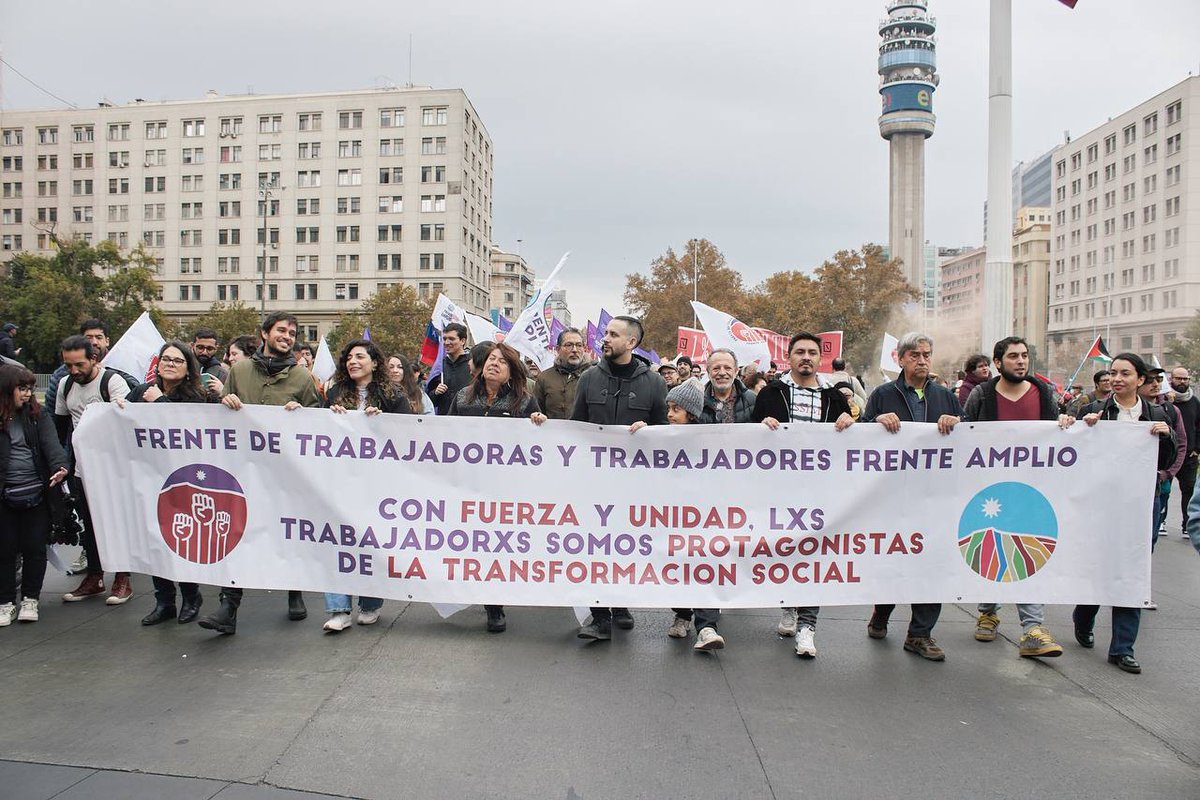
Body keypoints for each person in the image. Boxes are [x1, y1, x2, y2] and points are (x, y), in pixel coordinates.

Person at [198, 312, 322, 635]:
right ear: (265, 333)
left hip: (285, 473)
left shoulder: (302, 378)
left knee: (287, 532)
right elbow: (220, 419)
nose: (288, 336)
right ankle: (229, 607)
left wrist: (303, 415)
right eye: (282, 330)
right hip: (244, 470)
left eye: (292, 332)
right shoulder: (238, 371)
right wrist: (225, 400)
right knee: (235, 533)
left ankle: (294, 590)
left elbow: (321, 427)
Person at [961, 336, 1074, 657]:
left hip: (1031, 491)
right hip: (989, 491)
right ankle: (988, 611)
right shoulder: (982, 395)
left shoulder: (1043, 392)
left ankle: (1033, 628)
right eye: (1013, 357)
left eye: (1024, 356)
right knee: (993, 551)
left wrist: (1065, 423)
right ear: (998, 363)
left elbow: (1056, 431)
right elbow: (965, 437)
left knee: (1028, 554)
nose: (1021, 361)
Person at [752, 332, 854, 658]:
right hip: (780, 489)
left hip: (820, 490)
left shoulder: (835, 397)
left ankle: (808, 626)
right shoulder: (772, 393)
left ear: (819, 358)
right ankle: (787, 604)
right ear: (790, 357)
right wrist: (761, 425)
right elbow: (750, 435)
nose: (806, 357)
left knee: (815, 554)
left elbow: (852, 433)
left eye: (812, 352)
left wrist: (849, 421)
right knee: (785, 550)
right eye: (799, 352)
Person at [861, 332, 960, 662]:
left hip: (935, 496)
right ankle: (882, 610)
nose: (922, 360)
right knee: (893, 558)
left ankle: (920, 633)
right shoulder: (883, 395)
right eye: (915, 355)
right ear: (900, 359)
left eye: (927, 354)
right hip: (892, 496)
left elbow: (970, 440)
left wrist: (957, 424)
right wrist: (875, 422)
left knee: (932, 562)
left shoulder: (946, 397)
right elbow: (859, 438)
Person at [1075, 352, 1176, 674]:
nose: (1117, 379)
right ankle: (1084, 616)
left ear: (1141, 380)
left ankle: (1122, 648)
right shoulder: (1095, 411)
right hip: (1101, 505)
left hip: (1139, 504)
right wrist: (1082, 427)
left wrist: (1167, 436)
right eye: (1114, 373)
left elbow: (1166, 459)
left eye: (1125, 373)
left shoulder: (1158, 414)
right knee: (1098, 566)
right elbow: (1075, 454)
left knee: (1132, 571)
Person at [571, 315, 667, 641]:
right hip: (595, 484)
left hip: (635, 485)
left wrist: (649, 433)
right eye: (606, 333)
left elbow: (665, 434)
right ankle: (599, 617)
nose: (605, 338)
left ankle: (622, 603)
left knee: (626, 547)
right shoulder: (588, 378)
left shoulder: (653, 383)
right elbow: (575, 429)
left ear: (631, 343)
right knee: (597, 547)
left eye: (613, 334)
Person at [449, 341, 543, 633]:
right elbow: (445, 437)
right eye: (491, 358)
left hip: (505, 489)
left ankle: (494, 605)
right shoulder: (463, 398)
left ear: (512, 371)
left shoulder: (524, 402)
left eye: (502, 361)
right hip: (469, 484)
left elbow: (537, 446)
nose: (494, 364)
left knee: (496, 546)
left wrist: (539, 423)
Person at [118, 342, 212, 626]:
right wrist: (119, 409)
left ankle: (191, 595)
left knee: (181, 539)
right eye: (166, 359)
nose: (170, 364)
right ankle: (164, 600)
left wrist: (159, 401)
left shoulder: (196, 396)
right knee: (155, 539)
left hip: (182, 478)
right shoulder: (139, 391)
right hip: (149, 476)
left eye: (177, 360)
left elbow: (183, 431)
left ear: (188, 369)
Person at [321, 339, 412, 632]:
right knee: (337, 540)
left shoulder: (393, 394)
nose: (352, 361)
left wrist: (384, 423)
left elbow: (409, 435)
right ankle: (338, 609)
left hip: (377, 482)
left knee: (371, 542)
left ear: (374, 363)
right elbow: (317, 431)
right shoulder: (335, 392)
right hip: (341, 478)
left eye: (359, 356)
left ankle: (371, 603)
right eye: (348, 357)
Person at [54, 334, 134, 605]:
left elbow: (126, 424)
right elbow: (61, 429)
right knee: (90, 525)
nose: (74, 371)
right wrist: (63, 465)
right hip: (83, 470)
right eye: (68, 365)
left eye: (79, 365)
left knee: (117, 523)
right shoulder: (66, 386)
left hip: (114, 469)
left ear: (94, 359)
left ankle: (123, 578)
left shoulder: (112, 382)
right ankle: (95, 577)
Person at [0, 364, 68, 626]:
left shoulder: (38, 416)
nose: (28, 394)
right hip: (5, 496)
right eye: (22, 389)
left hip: (37, 494)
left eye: (30, 388)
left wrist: (60, 467)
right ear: (8, 390)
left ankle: (30, 599)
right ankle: (5, 602)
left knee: (34, 549)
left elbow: (52, 445)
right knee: (4, 551)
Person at [661, 379, 726, 651]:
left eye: (676, 409)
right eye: (669, 408)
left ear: (691, 414)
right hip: (670, 517)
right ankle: (682, 613)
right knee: (676, 565)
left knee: (704, 567)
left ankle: (707, 627)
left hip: (702, 517)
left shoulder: (710, 442)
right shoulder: (660, 436)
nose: (669, 414)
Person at [1139, 369, 1185, 548]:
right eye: (1150, 380)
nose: (1156, 384)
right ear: (1139, 381)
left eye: (1159, 379)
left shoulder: (1170, 411)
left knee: (1150, 536)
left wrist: (1168, 473)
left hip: (1157, 483)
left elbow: (1180, 443)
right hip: (1119, 487)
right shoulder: (1107, 409)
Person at [534, 328, 591, 420]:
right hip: (553, 432)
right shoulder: (545, 378)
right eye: (569, 345)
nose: (575, 350)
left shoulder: (594, 377)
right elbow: (536, 410)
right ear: (558, 349)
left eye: (579, 345)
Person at [1168, 367, 1199, 535]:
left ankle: (1187, 525)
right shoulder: (1165, 400)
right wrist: (1168, 402)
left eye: (1185, 379)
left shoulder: (1194, 401)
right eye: (1178, 378)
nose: (1182, 382)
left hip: (1189, 455)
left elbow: (1199, 426)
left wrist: (1196, 449)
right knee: (1164, 489)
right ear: (1171, 379)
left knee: (1189, 489)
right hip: (1169, 455)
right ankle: (1162, 521)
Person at [699, 348, 757, 424]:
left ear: (736, 371)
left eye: (728, 368)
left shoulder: (752, 399)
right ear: (708, 372)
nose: (722, 373)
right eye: (716, 368)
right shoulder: (696, 400)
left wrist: (766, 424)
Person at [426, 322, 472, 415]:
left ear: (462, 341)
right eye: (444, 339)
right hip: (443, 422)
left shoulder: (472, 364)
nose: (447, 342)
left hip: (467, 421)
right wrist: (436, 392)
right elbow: (428, 402)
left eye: (451, 339)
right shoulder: (439, 367)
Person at [191, 327, 229, 401]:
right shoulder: (182, 368)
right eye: (200, 347)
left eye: (209, 349)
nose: (204, 352)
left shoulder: (222, 374)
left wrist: (222, 392)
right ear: (192, 345)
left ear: (216, 348)